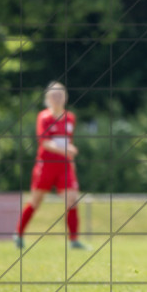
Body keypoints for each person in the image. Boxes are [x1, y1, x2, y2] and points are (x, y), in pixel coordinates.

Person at [14, 81, 89, 250]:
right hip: (46, 167)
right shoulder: (44, 117)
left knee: (72, 199)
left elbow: (68, 142)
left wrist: (71, 161)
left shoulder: (70, 118)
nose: (57, 98)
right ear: (48, 98)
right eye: (54, 95)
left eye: (60, 94)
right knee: (35, 201)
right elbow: (45, 143)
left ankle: (74, 240)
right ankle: (18, 234)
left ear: (66, 97)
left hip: (64, 167)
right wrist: (66, 149)